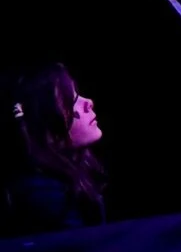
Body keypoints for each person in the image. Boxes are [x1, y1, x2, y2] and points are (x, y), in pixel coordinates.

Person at [2, 63, 106, 235]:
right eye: (70, 101)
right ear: (45, 123)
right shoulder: (42, 194)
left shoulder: (71, 176)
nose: (88, 102)